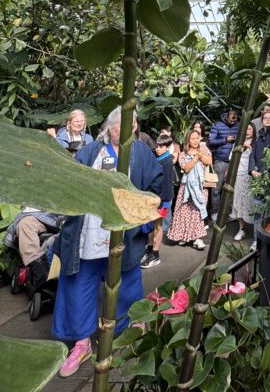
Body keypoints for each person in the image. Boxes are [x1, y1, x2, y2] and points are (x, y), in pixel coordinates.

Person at [51, 106, 170, 378]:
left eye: (134, 124)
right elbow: (72, 183)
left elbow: (156, 189)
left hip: (122, 233)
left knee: (126, 283)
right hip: (89, 232)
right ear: (111, 128)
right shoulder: (91, 151)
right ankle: (81, 342)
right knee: (79, 283)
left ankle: (130, 330)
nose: (132, 129)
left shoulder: (141, 152)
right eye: (126, 125)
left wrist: (143, 221)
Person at [166, 128, 212, 251]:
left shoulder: (204, 149)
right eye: (193, 138)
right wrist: (196, 157)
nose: (196, 141)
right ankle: (184, 236)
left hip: (201, 187)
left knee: (197, 212)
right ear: (188, 140)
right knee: (184, 211)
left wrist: (200, 155)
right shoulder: (183, 154)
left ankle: (197, 238)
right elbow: (186, 168)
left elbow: (209, 161)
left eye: (197, 138)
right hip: (186, 187)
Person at [140, 130, 175, 269]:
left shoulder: (167, 162)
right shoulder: (159, 159)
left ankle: (155, 253)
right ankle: (149, 249)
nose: (158, 148)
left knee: (158, 226)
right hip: (154, 198)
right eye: (157, 146)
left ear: (167, 147)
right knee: (151, 225)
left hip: (163, 200)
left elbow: (167, 183)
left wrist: (162, 201)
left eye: (161, 146)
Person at [206, 109, 239, 217]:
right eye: (231, 120)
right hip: (220, 161)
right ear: (226, 117)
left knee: (231, 188)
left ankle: (229, 213)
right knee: (216, 189)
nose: (233, 122)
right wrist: (225, 139)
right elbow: (211, 141)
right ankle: (215, 212)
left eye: (235, 121)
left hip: (235, 162)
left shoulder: (238, 125)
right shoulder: (217, 125)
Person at [231, 124, 256, 242]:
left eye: (250, 129)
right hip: (239, 175)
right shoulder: (238, 143)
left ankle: (256, 230)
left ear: (254, 131)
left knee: (252, 202)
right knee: (239, 202)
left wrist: (249, 147)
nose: (247, 131)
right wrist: (241, 146)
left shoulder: (256, 142)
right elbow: (232, 157)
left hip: (252, 175)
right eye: (245, 129)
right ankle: (241, 229)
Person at [250, 111, 270, 181]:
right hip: (256, 174)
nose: (267, 119)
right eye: (265, 118)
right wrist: (252, 170)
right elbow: (252, 155)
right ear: (262, 121)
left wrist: (263, 172)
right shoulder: (258, 135)